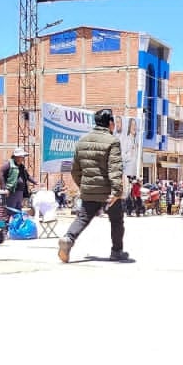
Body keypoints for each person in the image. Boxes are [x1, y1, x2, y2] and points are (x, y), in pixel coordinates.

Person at [58, 108, 130, 263]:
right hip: (108, 193)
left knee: (83, 217)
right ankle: (117, 252)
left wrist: (83, 186)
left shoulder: (82, 141)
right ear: (110, 123)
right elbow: (115, 168)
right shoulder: (112, 141)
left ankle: (68, 238)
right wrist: (117, 191)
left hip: (88, 190)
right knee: (117, 221)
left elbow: (75, 170)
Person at [0, 146, 36, 215]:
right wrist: (4, 189)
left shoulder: (21, 166)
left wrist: (35, 182)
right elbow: (1, 174)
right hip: (11, 192)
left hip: (20, 193)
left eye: (23, 156)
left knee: (18, 210)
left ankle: (15, 224)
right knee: (10, 210)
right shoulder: (8, 164)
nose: (23, 158)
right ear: (16, 157)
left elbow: (27, 176)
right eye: (21, 156)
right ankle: (9, 224)